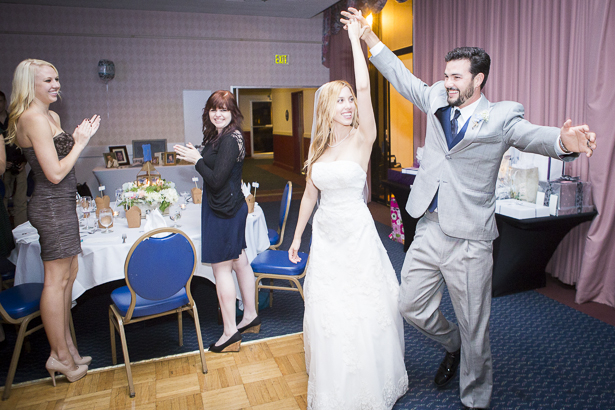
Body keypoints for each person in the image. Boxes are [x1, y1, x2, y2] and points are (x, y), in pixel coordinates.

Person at [342, 7, 597, 409]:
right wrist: (367, 39)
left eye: (455, 77)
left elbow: (534, 137)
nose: (447, 83)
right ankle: (451, 343)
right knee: (410, 305)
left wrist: (566, 142)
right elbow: (401, 77)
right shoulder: (436, 98)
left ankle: (475, 398)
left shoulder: (502, 116)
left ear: (478, 80)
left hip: (471, 240)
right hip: (429, 225)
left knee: (475, 326)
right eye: (445, 75)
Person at [287, 17, 408, 409]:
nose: (348, 104)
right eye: (339, 100)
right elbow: (309, 197)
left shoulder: (363, 139)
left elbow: (364, 85)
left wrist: (357, 41)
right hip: (325, 236)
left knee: (363, 305)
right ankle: (335, 384)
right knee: (327, 308)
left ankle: (369, 382)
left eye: (349, 100)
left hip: (356, 234)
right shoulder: (317, 149)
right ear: (325, 107)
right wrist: (296, 237)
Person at [7, 59, 100, 385]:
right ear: (29, 85)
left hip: (64, 204)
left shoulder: (52, 115)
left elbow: (61, 164)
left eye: (57, 78)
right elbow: (56, 172)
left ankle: (69, 349)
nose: (56, 84)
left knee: (69, 275)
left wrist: (73, 138)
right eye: (48, 80)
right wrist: (81, 142)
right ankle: (57, 356)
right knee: (55, 280)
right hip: (50, 206)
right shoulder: (31, 117)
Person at [174, 90, 259, 353]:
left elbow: (216, 179)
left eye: (223, 109)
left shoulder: (231, 139)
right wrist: (199, 156)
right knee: (240, 261)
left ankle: (230, 332)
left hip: (225, 211)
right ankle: (250, 316)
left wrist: (197, 160)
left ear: (233, 113)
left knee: (221, 270)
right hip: (229, 207)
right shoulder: (220, 135)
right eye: (213, 109)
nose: (218, 113)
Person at [1, 90, 28, 227]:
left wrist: (24, 160)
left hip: (18, 162)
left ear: (4, 102)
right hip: (3, 166)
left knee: (21, 199)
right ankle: (6, 229)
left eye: (1, 101)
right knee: (3, 198)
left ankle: (21, 229)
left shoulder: (13, 120)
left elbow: (24, 140)